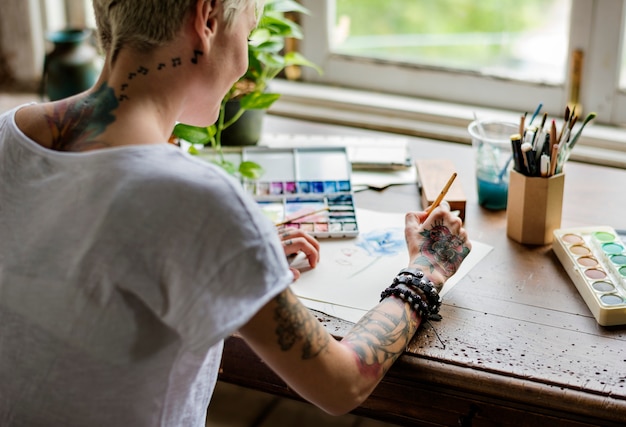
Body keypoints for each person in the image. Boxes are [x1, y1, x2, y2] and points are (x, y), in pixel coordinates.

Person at [0, 0, 471, 425]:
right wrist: (426, 269)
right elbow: (342, 383)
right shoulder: (199, 204)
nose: (245, 62)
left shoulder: (8, 135)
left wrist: (244, 258)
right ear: (207, 19)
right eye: (247, 34)